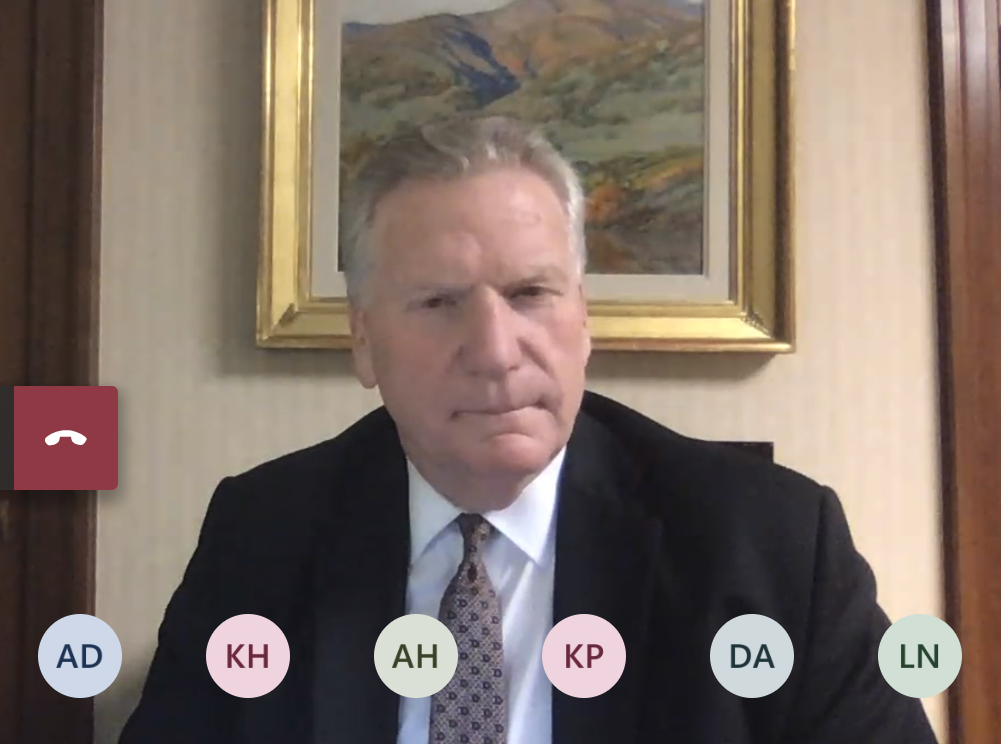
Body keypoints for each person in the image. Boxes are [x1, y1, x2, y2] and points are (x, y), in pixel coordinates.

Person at [119, 116, 934, 744]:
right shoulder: (263, 530)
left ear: (583, 319)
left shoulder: (772, 542)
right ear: (363, 340)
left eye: (532, 293)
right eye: (440, 302)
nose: (496, 352)